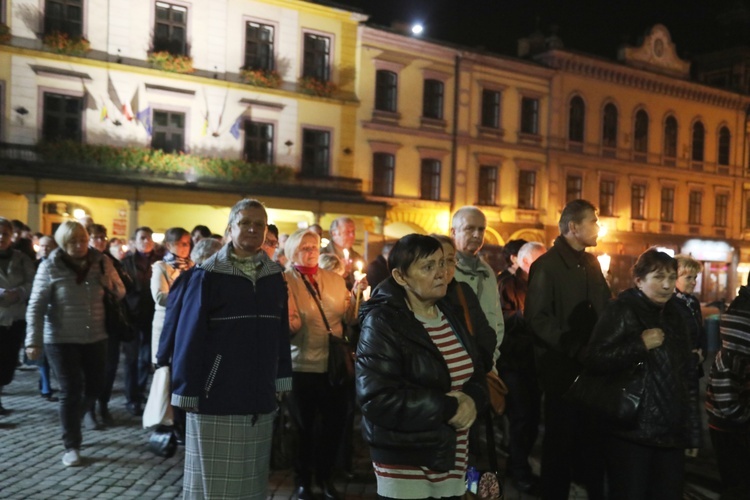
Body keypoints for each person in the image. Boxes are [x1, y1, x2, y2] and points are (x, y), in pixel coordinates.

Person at [165, 199, 292, 500]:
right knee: (211, 486)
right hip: (216, 395)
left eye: (259, 224)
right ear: (230, 228)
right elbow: (188, 336)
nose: (252, 228)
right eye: (245, 222)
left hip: (259, 396)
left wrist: (281, 378)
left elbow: (280, 333)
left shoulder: (274, 275)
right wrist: (186, 389)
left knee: (251, 484)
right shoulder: (207, 275)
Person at [356, 234, 487, 499]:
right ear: (401, 277)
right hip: (406, 459)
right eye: (428, 267)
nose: (441, 273)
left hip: (451, 454)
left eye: (442, 263)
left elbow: (476, 371)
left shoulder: (449, 312)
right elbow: (376, 398)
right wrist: (449, 407)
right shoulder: (383, 322)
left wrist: (474, 398)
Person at [586, 249, 701, 499]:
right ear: (639, 281)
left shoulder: (677, 316)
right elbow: (595, 359)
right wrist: (639, 345)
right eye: (659, 278)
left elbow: (687, 377)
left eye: (672, 277)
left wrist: (691, 431)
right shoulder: (622, 310)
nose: (668, 285)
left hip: (670, 433)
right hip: (632, 430)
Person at [525, 199, 611, 499]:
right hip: (562, 372)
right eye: (594, 221)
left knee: (592, 442)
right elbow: (537, 319)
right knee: (559, 444)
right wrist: (571, 345)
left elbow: (606, 308)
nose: (598, 227)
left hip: (594, 370)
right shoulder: (546, 266)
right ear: (574, 227)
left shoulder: (591, 263)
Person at [25, 220, 125, 467]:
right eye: (73, 242)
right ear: (63, 243)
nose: (80, 246)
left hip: (96, 335)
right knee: (70, 390)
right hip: (60, 338)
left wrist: (108, 283)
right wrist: (33, 341)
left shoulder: (101, 261)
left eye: (83, 240)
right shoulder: (50, 266)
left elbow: (120, 291)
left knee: (95, 386)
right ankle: (72, 445)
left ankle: (74, 418)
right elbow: (36, 306)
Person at [284, 228, 363, 500]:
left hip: (334, 367)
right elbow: (290, 323)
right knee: (304, 429)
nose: (311, 251)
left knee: (333, 427)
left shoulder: (333, 279)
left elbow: (349, 319)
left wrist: (356, 296)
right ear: (293, 250)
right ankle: (303, 481)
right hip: (302, 366)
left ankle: (326, 478)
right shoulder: (285, 281)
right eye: (305, 247)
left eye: (315, 246)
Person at [497, 241, 546, 493]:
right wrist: (522, 317)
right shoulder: (507, 283)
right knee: (521, 418)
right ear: (525, 262)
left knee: (532, 418)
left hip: (534, 363)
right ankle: (519, 472)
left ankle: (517, 465)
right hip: (513, 362)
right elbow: (499, 318)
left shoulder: (542, 283)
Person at [705, 277, 750, 500]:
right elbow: (728, 404)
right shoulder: (731, 360)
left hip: (734, 425)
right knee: (737, 483)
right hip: (728, 428)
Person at [87, 224, 133, 426]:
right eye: (95, 237)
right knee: (89, 369)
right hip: (86, 323)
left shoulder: (109, 261)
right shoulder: (79, 261)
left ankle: (103, 405)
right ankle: (89, 409)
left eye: (102, 237)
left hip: (109, 322)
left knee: (109, 368)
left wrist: (110, 285)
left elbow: (123, 290)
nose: (100, 241)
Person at [450, 206, 504, 366]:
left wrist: (491, 357)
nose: (477, 235)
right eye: (469, 229)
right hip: (454, 367)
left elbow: (497, 322)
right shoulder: (445, 270)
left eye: (481, 229)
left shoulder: (487, 271)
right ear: (453, 232)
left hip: (485, 366)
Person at [121, 226, 160, 416]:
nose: (146, 241)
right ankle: (131, 398)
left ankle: (140, 390)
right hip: (131, 316)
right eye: (142, 238)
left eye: (149, 238)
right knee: (131, 359)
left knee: (146, 359)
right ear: (135, 241)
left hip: (151, 316)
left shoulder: (159, 261)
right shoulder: (127, 262)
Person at [0, 217, 36, 414]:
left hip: (15, 318)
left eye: (5, 233)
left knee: (7, 362)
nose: (1, 237)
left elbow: (33, 281)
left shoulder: (21, 258)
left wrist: (20, 292)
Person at [673, 254, 706, 376]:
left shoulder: (693, 302)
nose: (693, 282)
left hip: (694, 368)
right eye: (688, 278)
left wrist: (702, 353)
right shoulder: (669, 304)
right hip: (678, 371)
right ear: (674, 278)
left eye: (695, 277)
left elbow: (700, 331)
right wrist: (694, 358)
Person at [322, 217, 362, 289]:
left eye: (353, 232)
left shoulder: (357, 257)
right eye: (347, 232)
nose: (352, 236)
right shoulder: (322, 256)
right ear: (334, 234)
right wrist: (341, 273)